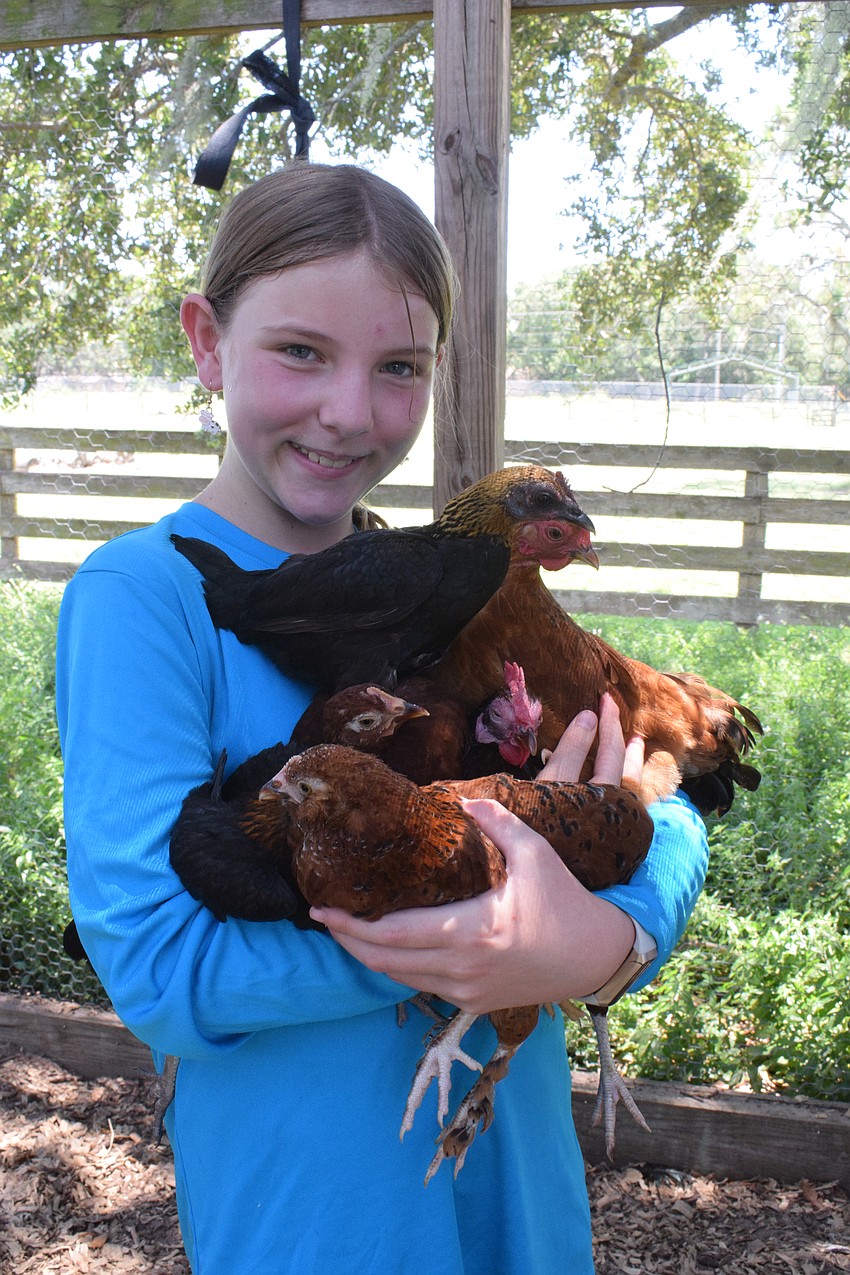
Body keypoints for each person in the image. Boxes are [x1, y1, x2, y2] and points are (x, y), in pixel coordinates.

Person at [56, 162, 709, 1274]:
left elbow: (654, 792)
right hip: (319, 1218)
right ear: (207, 341)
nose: (349, 411)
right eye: (300, 351)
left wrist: (605, 940)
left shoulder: (444, 578)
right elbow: (163, 970)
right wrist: (496, 941)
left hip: (519, 1187)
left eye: (398, 367)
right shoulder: (143, 599)